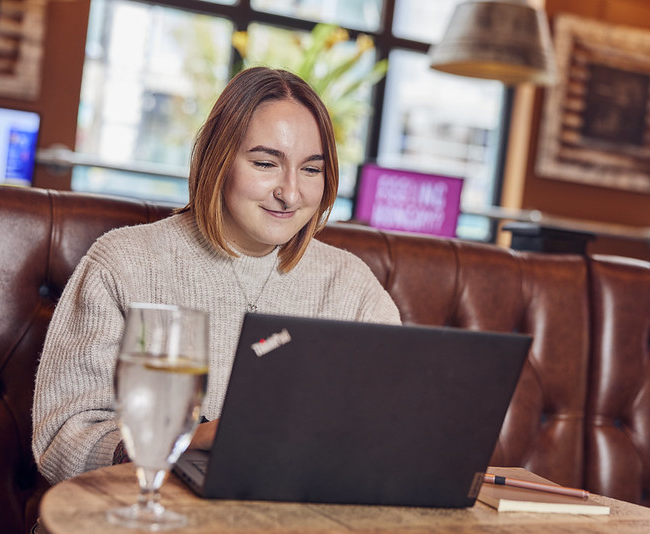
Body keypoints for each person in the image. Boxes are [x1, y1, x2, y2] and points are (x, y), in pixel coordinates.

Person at [31, 66, 401, 486]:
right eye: (266, 163)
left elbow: (399, 428)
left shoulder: (351, 285)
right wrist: (186, 441)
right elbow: (62, 440)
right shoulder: (124, 263)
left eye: (311, 170)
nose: (291, 192)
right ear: (218, 159)